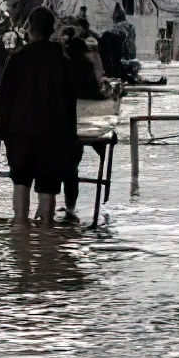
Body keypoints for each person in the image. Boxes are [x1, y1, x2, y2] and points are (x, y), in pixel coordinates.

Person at [0, 6, 78, 226]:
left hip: (21, 131)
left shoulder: (17, 59)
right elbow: (70, 101)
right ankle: (46, 236)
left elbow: (5, 99)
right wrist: (70, 136)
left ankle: (20, 230)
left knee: (21, 181)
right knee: (48, 184)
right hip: (53, 132)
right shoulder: (62, 60)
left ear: (29, 29)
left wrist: (2, 130)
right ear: (51, 30)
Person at [61, 37, 107, 224]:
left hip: (63, 127)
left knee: (61, 167)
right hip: (82, 127)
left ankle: (49, 209)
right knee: (72, 168)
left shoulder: (63, 69)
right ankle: (70, 209)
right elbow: (96, 98)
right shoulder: (87, 69)